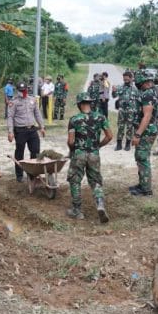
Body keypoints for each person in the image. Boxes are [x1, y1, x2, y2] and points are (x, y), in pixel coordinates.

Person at [66, 92, 113, 222]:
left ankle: (77, 210)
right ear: (90, 103)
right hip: (94, 154)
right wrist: (98, 146)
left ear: (80, 104)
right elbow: (109, 136)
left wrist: (72, 151)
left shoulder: (74, 120)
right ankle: (100, 204)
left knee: (75, 180)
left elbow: (70, 141)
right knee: (95, 181)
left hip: (79, 154)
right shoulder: (101, 118)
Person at [7, 82, 45, 182]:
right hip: (20, 130)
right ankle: (19, 176)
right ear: (17, 91)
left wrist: (42, 127)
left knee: (36, 151)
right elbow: (10, 117)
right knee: (19, 152)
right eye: (20, 91)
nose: (22, 93)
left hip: (32, 129)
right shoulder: (13, 102)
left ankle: (33, 174)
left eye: (24, 91)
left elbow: (37, 114)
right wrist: (10, 132)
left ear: (27, 90)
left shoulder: (32, 100)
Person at [130, 71, 158, 197]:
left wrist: (137, 134)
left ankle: (146, 189)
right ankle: (142, 184)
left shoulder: (147, 94)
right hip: (145, 131)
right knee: (140, 157)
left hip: (146, 132)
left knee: (142, 158)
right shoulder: (148, 93)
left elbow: (147, 116)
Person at [112, 70, 138, 151]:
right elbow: (114, 96)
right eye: (124, 79)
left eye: (127, 79)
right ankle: (119, 144)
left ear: (131, 78)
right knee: (120, 127)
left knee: (130, 127)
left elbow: (138, 100)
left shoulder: (135, 89)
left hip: (131, 111)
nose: (125, 81)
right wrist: (113, 91)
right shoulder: (120, 87)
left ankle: (127, 144)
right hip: (122, 111)